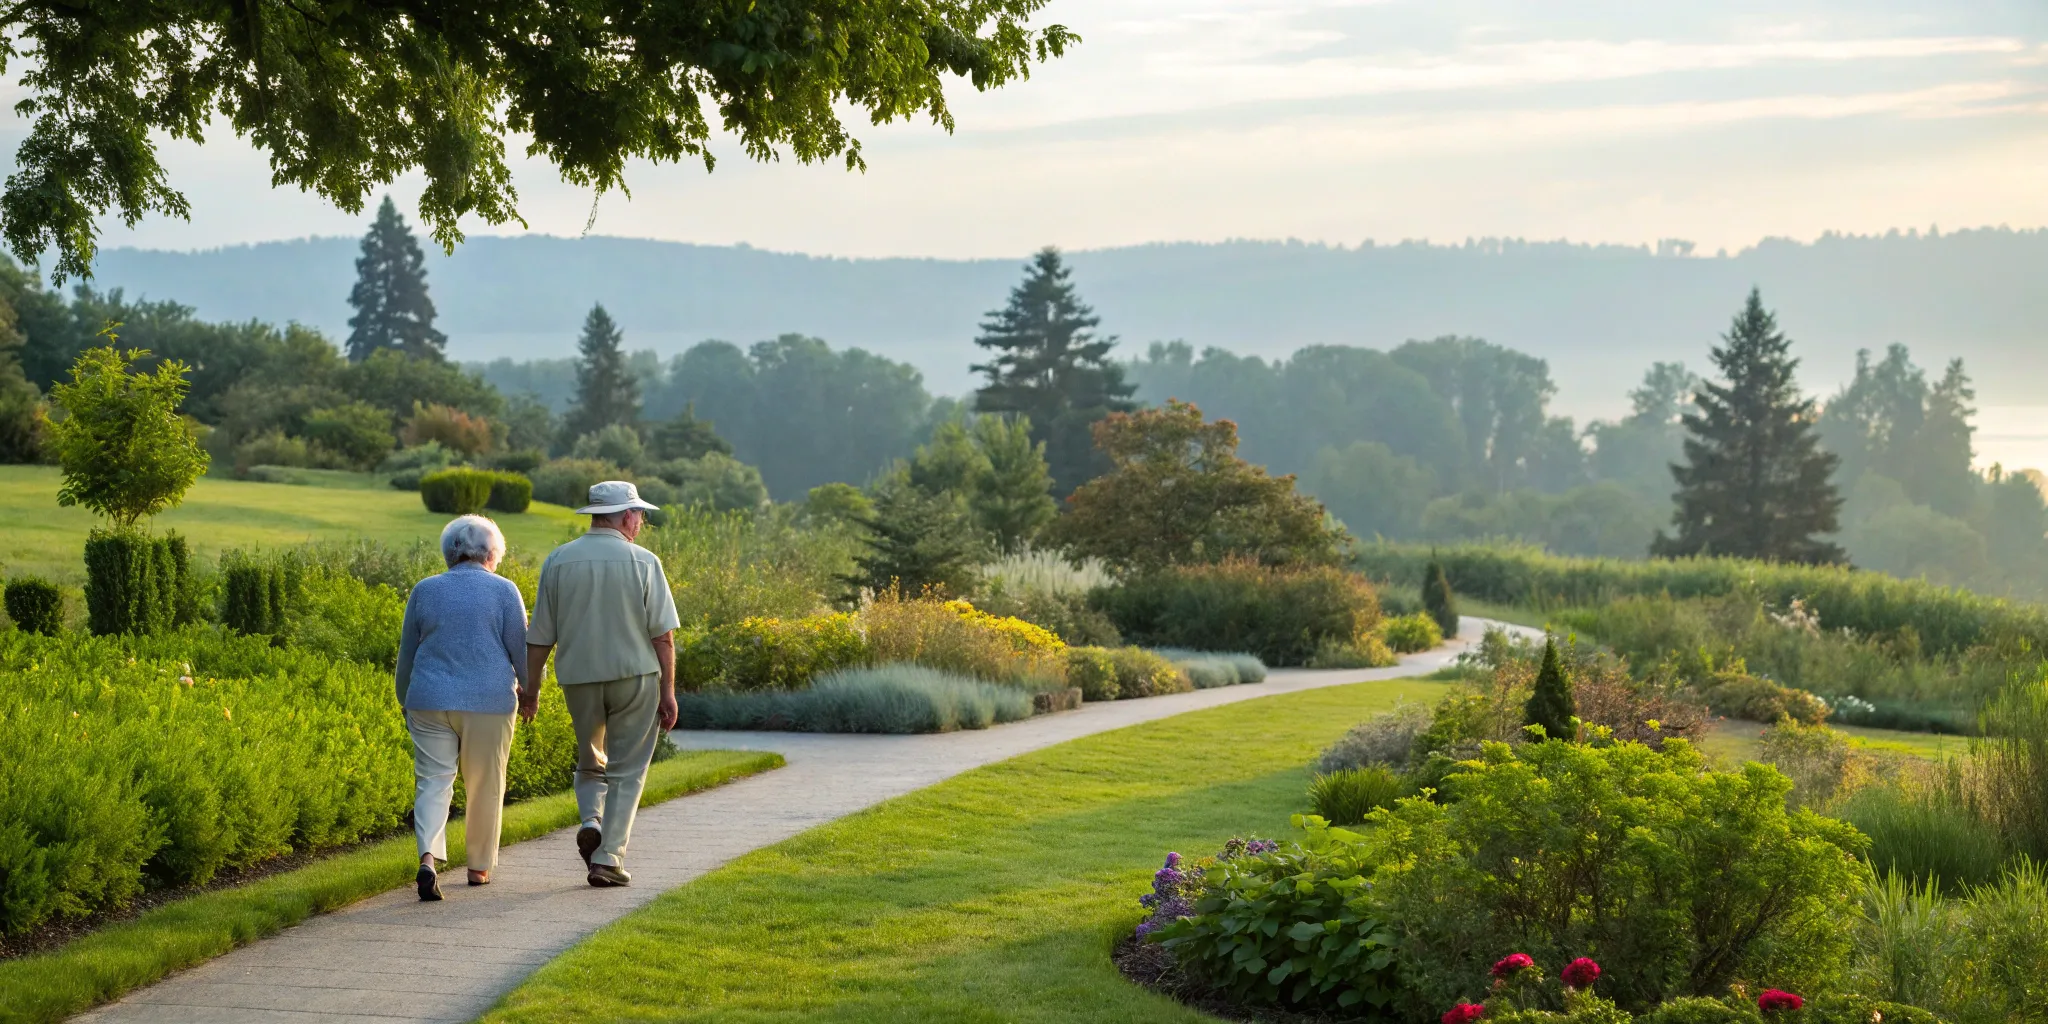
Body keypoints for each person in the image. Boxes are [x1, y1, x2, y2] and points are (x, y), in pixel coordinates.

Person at [525, 480, 680, 887]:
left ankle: (591, 818)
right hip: (635, 676)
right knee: (628, 770)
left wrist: (531, 690)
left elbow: (540, 635)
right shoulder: (644, 561)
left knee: (590, 758)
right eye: (640, 514)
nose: (642, 522)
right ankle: (608, 857)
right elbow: (662, 636)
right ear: (627, 516)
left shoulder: (558, 561)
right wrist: (668, 692)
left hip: (579, 677)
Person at [395, 514, 529, 902]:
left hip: (428, 700)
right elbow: (519, 651)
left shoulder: (425, 589)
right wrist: (531, 690)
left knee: (433, 782)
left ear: (450, 552)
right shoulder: (505, 591)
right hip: (489, 702)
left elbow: (407, 652)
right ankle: (478, 867)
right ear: (492, 553)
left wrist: (405, 697)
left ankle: (428, 860)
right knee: (485, 784)